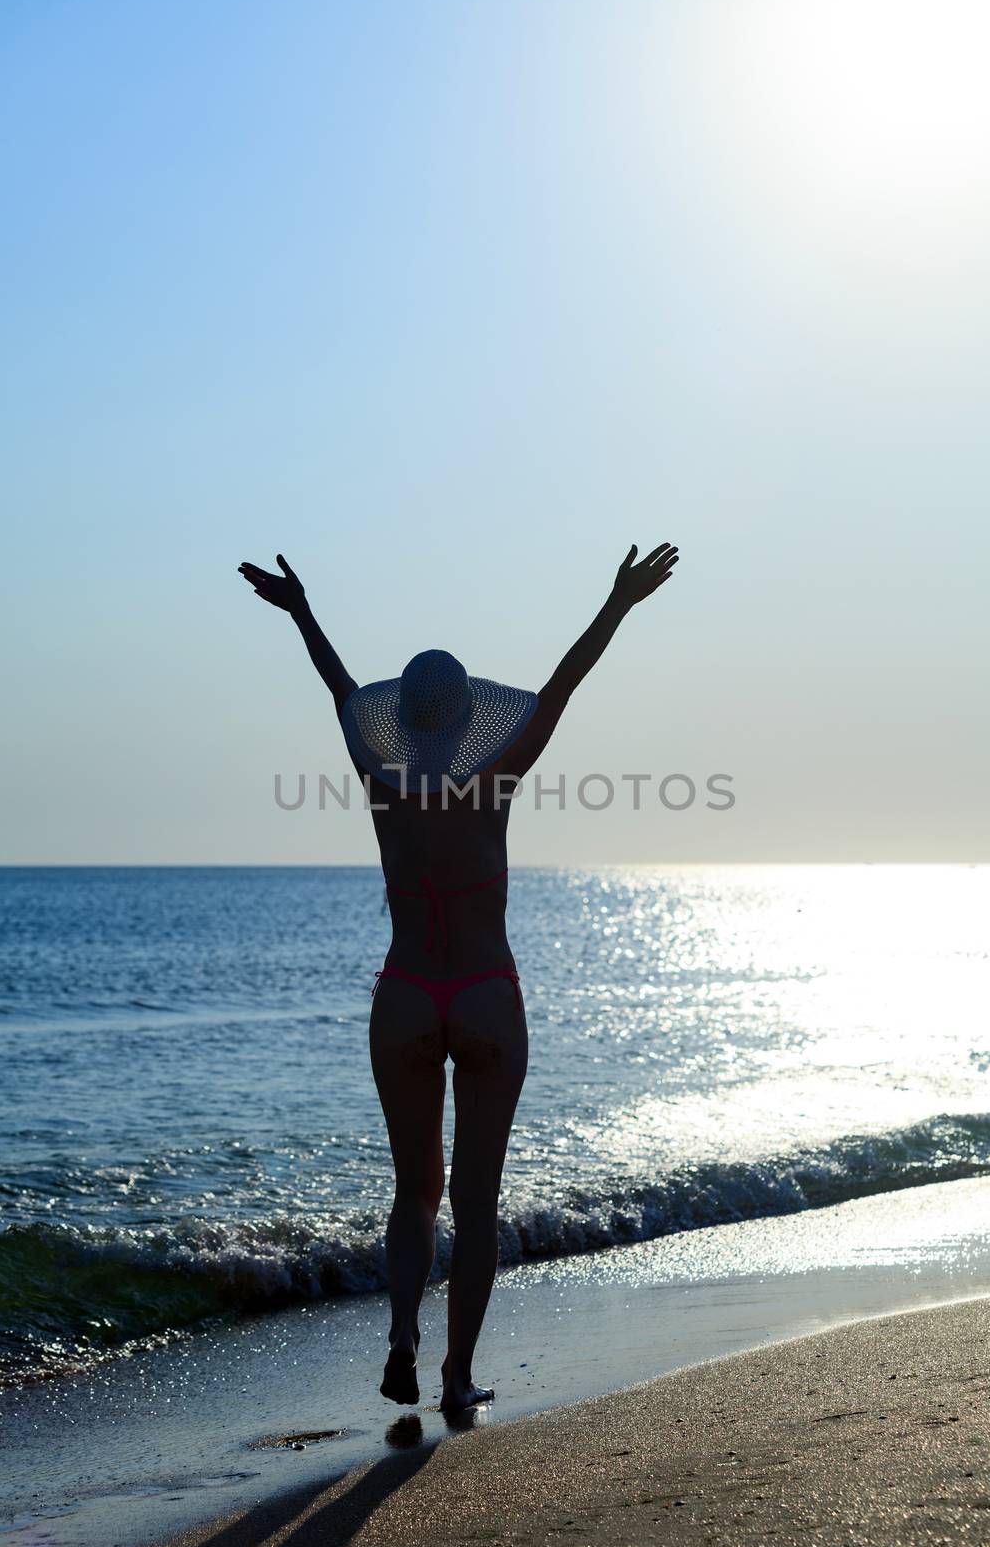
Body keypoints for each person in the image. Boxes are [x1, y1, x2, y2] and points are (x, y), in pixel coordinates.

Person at [237, 542, 679, 1413]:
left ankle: (400, 1332)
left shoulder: (376, 777)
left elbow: (338, 690)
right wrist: (619, 601)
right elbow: (562, 686)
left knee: (414, 1192)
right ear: (467, 718)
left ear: (401, 720)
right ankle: (453, 1374)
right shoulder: (497, 775)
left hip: (405, 992)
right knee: (476, 1200)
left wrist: (301, 614)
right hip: (483, 991)